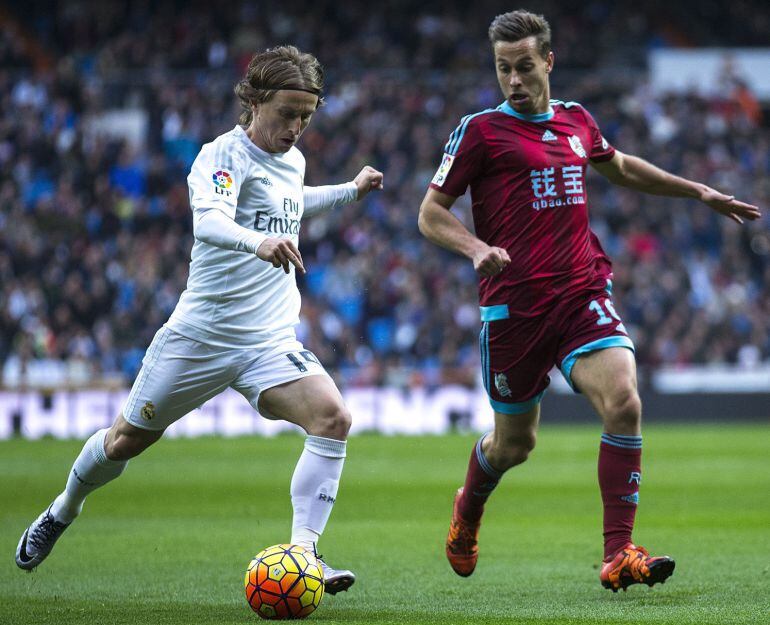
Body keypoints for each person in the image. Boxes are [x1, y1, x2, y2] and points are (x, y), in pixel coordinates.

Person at [15, 45, 383, 596]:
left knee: (333, 418)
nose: (296, 127)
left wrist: (351, 190)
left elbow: (296, 202)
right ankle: (63, 509)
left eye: (306, 116)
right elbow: (209, 221)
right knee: (122, 443)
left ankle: (304, 554)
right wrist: (258, 243)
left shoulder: (294, 161)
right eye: (287, 112)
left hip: (268, 341)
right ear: (255, 100)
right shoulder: (220, 157)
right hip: (200, 337)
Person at [418, 10, 760, 591]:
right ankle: (468, 510)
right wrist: (475, 248)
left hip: (581, 293)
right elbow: (429, 213)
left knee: (624, 401)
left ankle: (618, 553)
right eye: (504, 69)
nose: (515, 80)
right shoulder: (479, 131)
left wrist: (697, 190)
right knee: (514, 445)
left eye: (525, 66)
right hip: (514, 311)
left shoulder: (577, 120)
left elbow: (620, 167)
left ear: (548, 61)